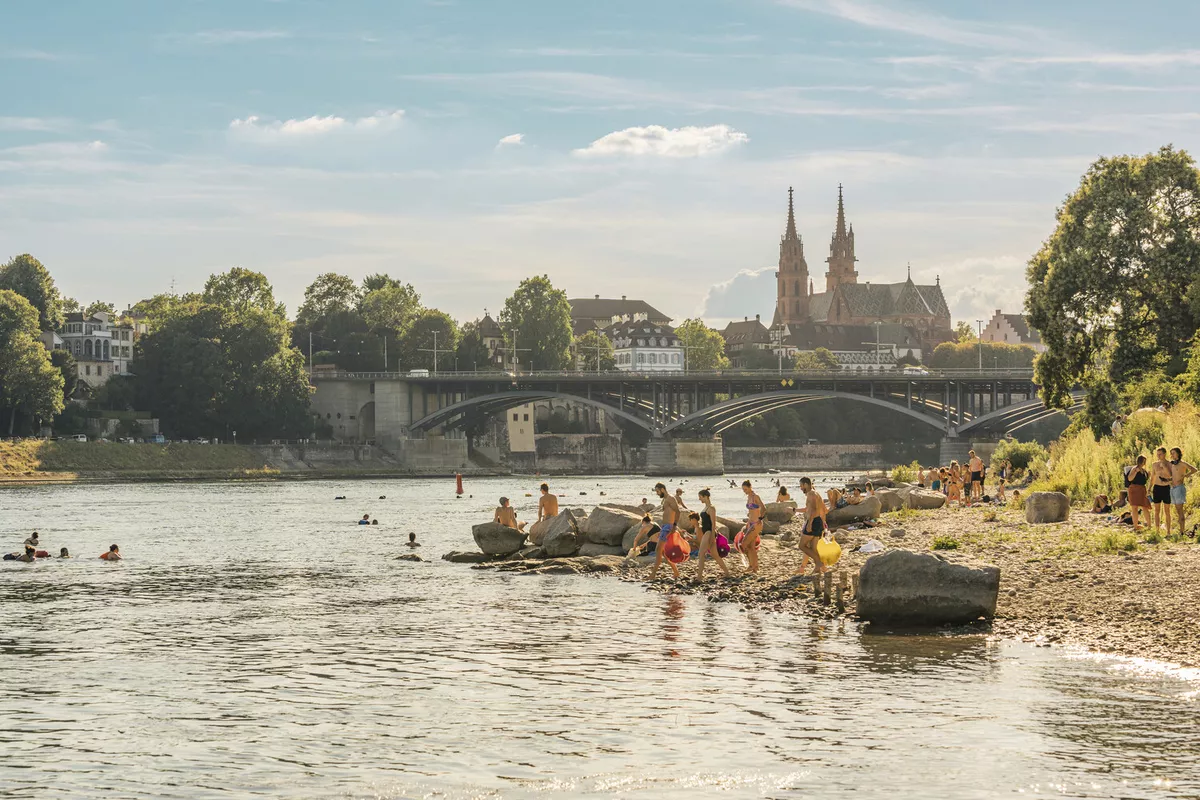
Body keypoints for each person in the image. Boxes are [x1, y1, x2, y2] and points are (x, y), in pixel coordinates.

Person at [695, 488, 731, 581]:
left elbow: (713, 523)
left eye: (700, 497)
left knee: (701, 553)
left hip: (709, 532)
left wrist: (712, 537)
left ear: (705, 496)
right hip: (706, 532)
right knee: (715, 555)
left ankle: (699, 577)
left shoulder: (711, 508)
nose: (699, 499)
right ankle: (727, 573)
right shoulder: (705, 508)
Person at [796, 476, 828, 579]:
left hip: (813, 522)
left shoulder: (811, 494)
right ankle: (818, 569)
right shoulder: (816, 493)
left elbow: (813, 510)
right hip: (818, 521)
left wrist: (809, 523)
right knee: (814, 548)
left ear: (806, 484)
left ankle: (819, 563)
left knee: (802, 545)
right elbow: (824, 509)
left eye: (801, 486)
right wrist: (823, 522)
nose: (801, 488)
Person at [648, 483, 681, 580]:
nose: (657, 493)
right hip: (665, 527)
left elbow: (678, 511)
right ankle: (676, 572)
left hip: (668, 527)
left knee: (658, 549)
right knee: (662, 552)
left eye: (658, 491)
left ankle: (653, 575)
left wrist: (674, 526)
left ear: (662, 489)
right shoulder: (665, 499)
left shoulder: (670, 498)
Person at [738, 480, 765, 573]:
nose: (744, 491)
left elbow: (764, 508)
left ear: (750, 487)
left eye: (745, 489)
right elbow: (751, 511)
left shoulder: (755, 497)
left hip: (756, 524)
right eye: (743, 490)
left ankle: (752, 566)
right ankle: (754, 567)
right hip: (750, 523)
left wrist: (760, 519)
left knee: (743, 544)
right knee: (751, 547)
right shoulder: (749, 497)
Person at [1168, 447, 1196, 535]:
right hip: (1172, 488)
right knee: (1177, 510)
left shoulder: (1182, 463)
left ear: (1178, 454)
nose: (1172, 455)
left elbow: (1194, 469)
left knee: (1180, 510)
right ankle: (1181, 530)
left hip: (1179, 488)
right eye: (1171, 453)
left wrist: (1185, 476)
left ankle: (1182, 532)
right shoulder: (1172, 464)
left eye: (1173, 453)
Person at [1125, 455, 1152, 532]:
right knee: (1135, 508)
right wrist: (1135, 472)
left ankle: (1149, 526)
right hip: (1134, 489)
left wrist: (1148, 476)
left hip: (1142, 490)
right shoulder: (1135, 468)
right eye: (1143, 461)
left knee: (1145, 507)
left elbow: (1143, 480)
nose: (1143, 463)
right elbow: (1130, 478)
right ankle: (1135, 526)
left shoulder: (1144, 471)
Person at [1151, 447, 1173, 535]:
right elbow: (1152, 477)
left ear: (1164, 454)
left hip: (1166, 488)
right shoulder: (1154, 464)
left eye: (1160, 454)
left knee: (1167, 510)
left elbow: (1170, 476)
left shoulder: (1169, 464)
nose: (1158, 456)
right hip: (1157, 488)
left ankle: (1168, 531)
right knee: (1157, 510)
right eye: (1157, 454)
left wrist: (1164, 466)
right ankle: (1157, 531)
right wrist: (1149, 488)